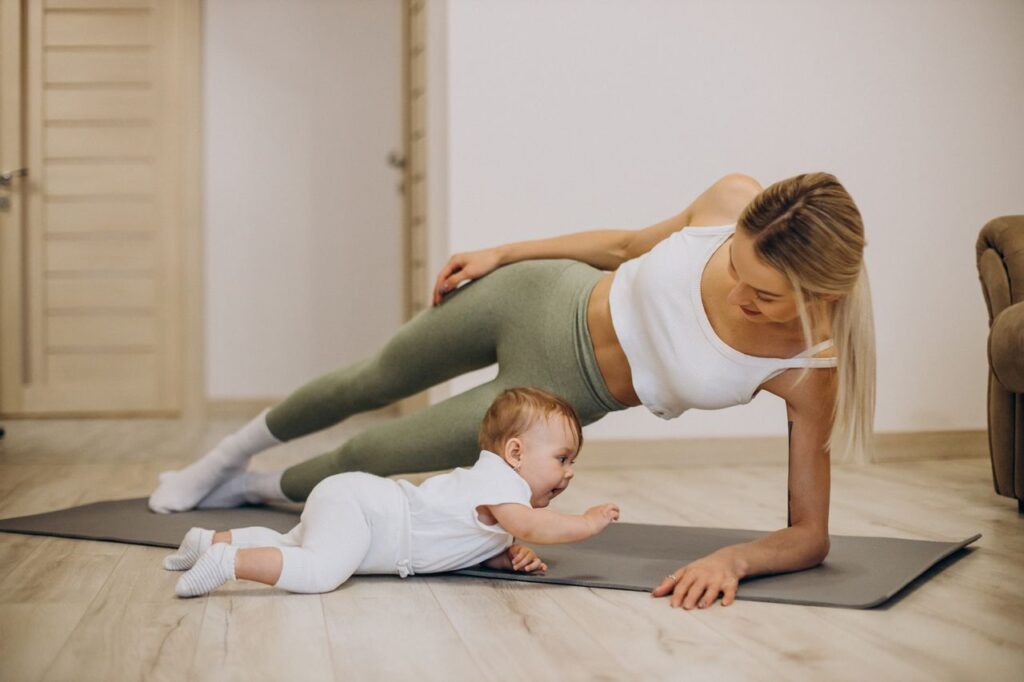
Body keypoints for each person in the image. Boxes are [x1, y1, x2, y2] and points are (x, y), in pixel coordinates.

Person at [150, 171, 875, 610]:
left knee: (368, 455)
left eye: (766, 296)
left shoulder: (809, 367)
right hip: (537, 296)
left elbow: (810, 535)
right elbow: (625, 248)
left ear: (825, 292)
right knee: (367, 381)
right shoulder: (732, 198)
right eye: (736, 269)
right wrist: (505, 251)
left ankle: (255, 488)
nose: (738, 292)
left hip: (551, 396)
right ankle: (220, 460)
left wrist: (734, 559)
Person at [166, 387, 620, 597]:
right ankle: (230, 563)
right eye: (562, 459)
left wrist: (504, 556)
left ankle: (210, 541)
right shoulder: (501, 484)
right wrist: (584, 523)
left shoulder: (497, 494)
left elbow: (471, 538)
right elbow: (529, 524)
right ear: (515, 452)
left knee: (293, 544)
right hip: (368, 514)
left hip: (358, 504)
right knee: (321, 572)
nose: (570, 473)